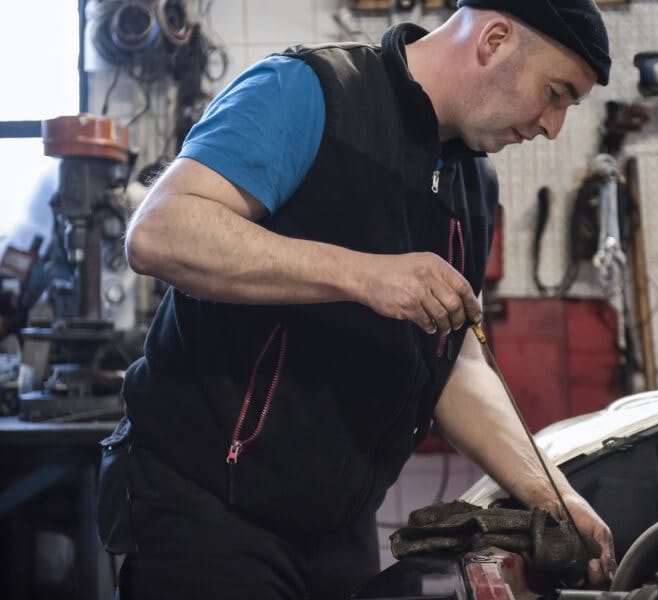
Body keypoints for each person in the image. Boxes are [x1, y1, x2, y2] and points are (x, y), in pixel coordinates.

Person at [97, 1, 616, 597]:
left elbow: (457, 368)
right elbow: (161, 232)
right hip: (206, 504)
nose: (553, 127)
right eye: (555, 93)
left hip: (336, 524)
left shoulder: (475, 183)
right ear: (494, 40)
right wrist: (364, 275)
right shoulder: (312, 92)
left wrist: (554, 495)